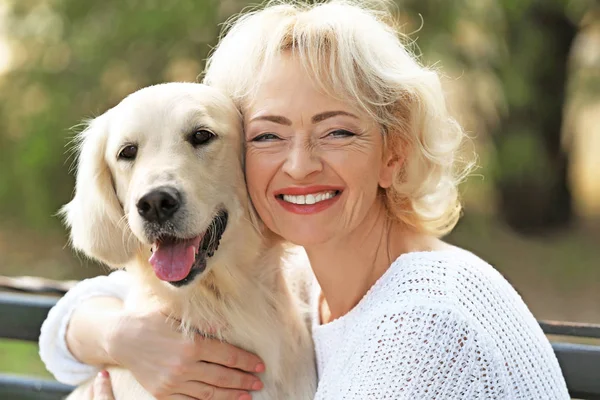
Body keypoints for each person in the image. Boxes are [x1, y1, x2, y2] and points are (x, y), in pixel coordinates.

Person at [39, 1, 570, 399]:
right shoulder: (309, 281)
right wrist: (117, 337)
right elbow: (82, 309)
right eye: (268, 136)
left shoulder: (422, 328)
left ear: (395, 151)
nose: (298, 165)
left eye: (337, 132)